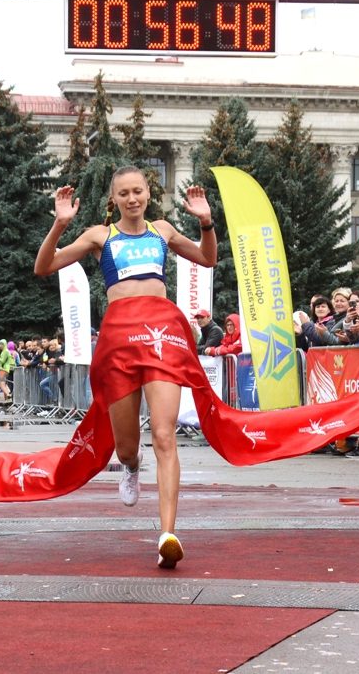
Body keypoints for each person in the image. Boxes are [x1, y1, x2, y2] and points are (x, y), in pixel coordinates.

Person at [33, 166, 216, 568]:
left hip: (161, 335)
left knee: (165, 434)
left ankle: (168, 534)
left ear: (149, 194)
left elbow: (207, 257)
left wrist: (205, 222)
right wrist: (60, 225)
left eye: (138, 191)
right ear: (113, 199)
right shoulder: (100, 236)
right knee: (127, 445)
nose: (132, 199)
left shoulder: (163, 231)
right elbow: (44, 267)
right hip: (119, 340)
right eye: (124, 193)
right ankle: (131, 466)